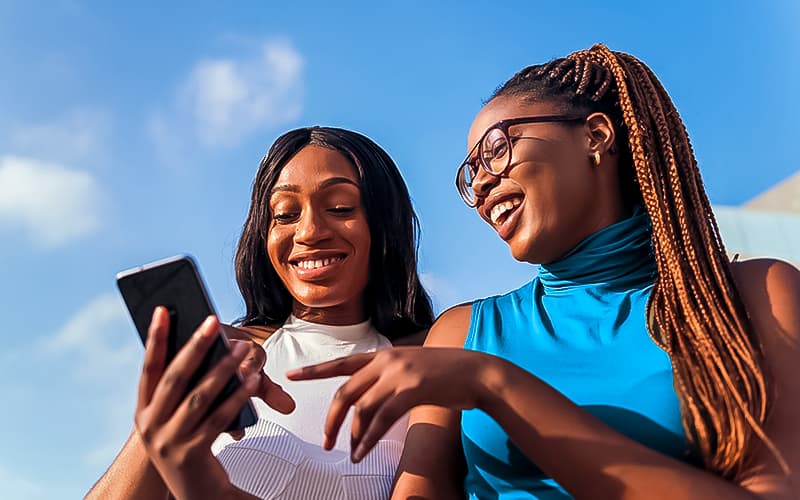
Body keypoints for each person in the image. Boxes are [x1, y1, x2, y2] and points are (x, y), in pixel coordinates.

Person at [289, 44, 800, 499]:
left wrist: (496, 384)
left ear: (596, 137)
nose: (482, 185)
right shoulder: (461, 333)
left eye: (497, 149)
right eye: (471, 173)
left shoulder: (759, 295)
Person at [87, 126, 434, 499]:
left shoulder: (431, 359)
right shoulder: (227, 356)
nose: (310, 231)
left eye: (339, 208)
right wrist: (160, 423)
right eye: (285, 214)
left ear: (385, 224)